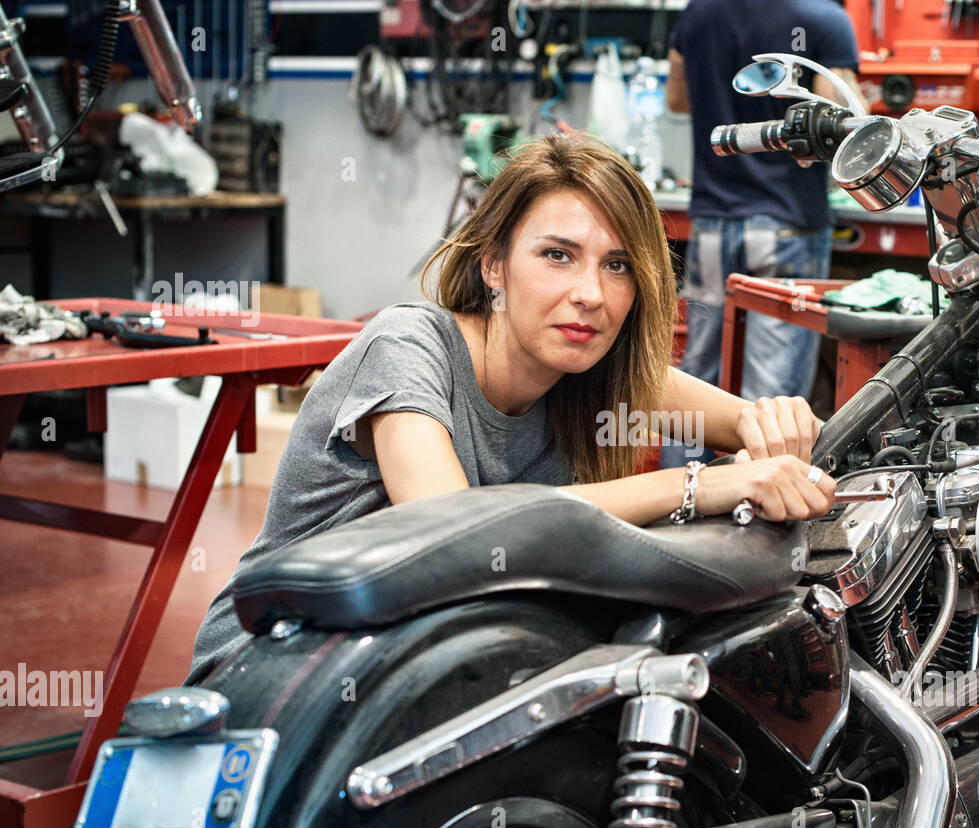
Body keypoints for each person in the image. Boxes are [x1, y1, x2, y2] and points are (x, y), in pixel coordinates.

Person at [185, 133, 836, 683]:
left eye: (617, 266)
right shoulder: (409, 345)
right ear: (494, 264)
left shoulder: (581, 368)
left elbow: (747, 421)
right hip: (274, 674)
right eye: (557, 255)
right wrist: (698, 484)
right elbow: (454, 530)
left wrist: (782, 424)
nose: (590, 294)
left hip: (423, 664)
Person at [660, 0, 863, 469]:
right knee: (770, 400)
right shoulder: (824, 19)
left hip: (714, 222)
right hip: (786, 224)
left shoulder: (697, 14)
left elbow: (677, 100)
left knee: (696, 384)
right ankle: (755, 528)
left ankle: (674, 509)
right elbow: (847, 122)